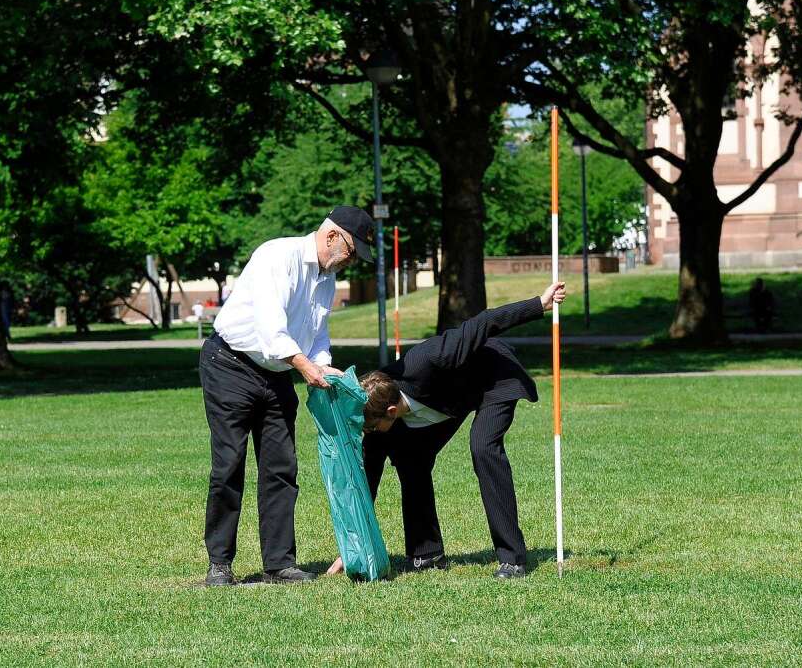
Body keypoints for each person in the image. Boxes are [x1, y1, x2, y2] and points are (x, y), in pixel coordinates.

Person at [328, 281, 567, 580]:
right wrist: (350, 546)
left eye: (373, 427)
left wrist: (538, 304)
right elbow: (368, 479)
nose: (370, 432)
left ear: (391, 412)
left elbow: (484, 321)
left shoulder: (429, 358)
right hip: (448, 401)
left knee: (482, 447)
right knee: (410, 458)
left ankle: (513, 558)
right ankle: (426, 554)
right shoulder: (379, 408)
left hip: (493, 378)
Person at [201, 205, 375, 586]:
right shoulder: (277, 257)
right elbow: (271, 328)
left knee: (282, 467)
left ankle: (279, 562)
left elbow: (318, 333)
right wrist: (304, 366)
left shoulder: (325, 278)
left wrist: (323, 364)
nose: (350, 261)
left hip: (278, 372)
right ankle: (220, 563)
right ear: (332, 236)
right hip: (231, 364)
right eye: (350, 250)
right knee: (229, 463)